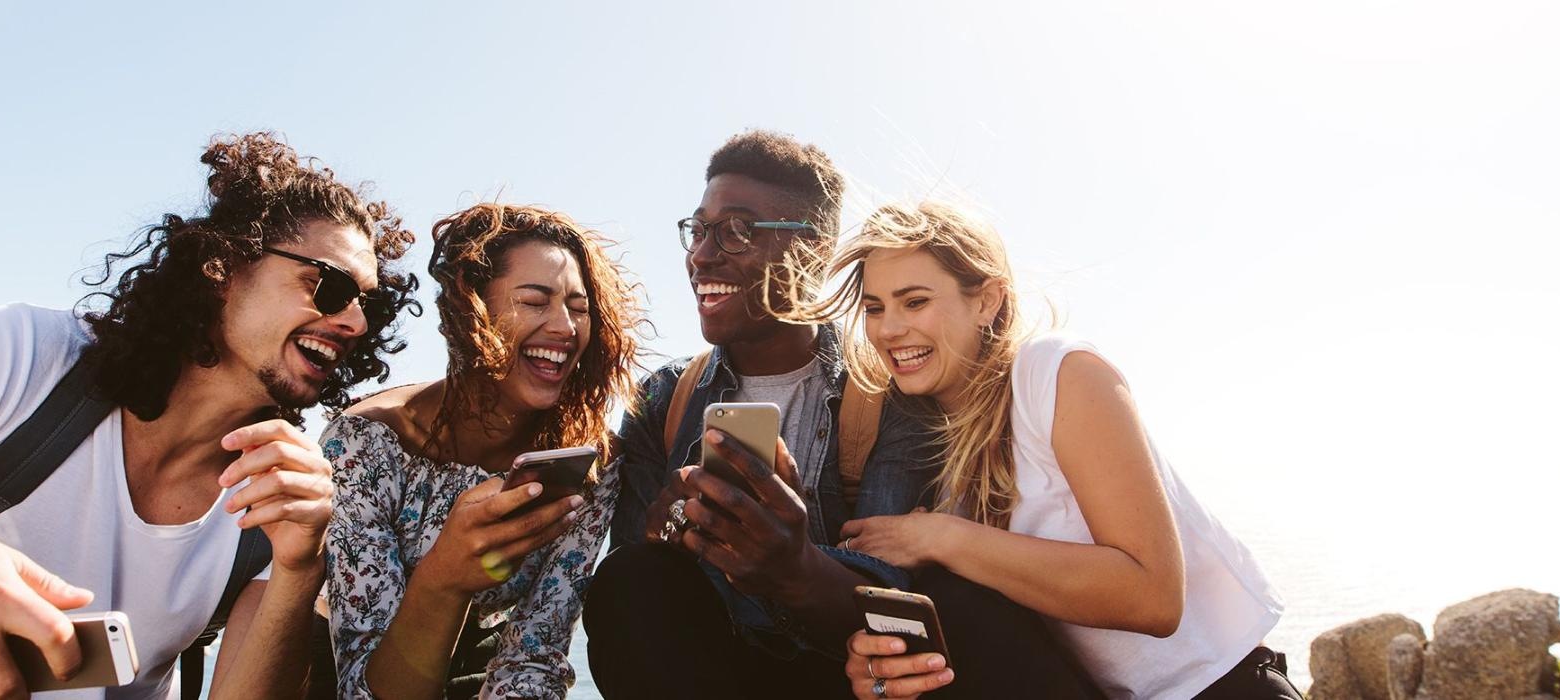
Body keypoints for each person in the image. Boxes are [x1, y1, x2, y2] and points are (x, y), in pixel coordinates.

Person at [0, 132, 418, 700]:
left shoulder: (283, 493)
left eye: (373, 304)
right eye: (331, 286)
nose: (356, 323)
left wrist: (298, 567)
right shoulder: (23, 356)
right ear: (221, 267)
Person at [582, 131, 1100, 699]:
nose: (702, 255)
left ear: (813, 250)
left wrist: (794, 567)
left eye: (736, 231)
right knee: (628, 581)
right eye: (699, 230)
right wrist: (669, 531)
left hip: (850, 672)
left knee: (952, 608)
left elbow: (896, 590)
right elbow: (635, 594)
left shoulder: (888, 389)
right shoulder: (664, 398)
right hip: (718, 671)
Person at [814, 201, 1298, 699]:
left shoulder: (1056, 372)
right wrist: (885, 672)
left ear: (987, 301)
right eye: (874, 308)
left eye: (914, 301)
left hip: (1223, 687)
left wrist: (942, 538)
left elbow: (1155, 599)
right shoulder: (924, 447)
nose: (888, 329)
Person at [322, 203, 642, 699]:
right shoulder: (365, 443)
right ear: (471, 311)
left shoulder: (589, 458)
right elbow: (363, 688)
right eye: (536, 301)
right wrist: (444, 578)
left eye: (579, 308)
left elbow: (533, 654)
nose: (565, 327)